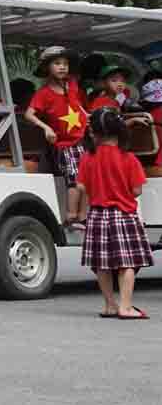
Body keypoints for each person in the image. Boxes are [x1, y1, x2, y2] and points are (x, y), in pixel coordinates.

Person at [77, 108, 151, 319]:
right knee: (126, 263)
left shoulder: (87, 158)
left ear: (95, 133)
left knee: (102, 263)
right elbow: (137, 190)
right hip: (123, 214)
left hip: (97, 215)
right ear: (119, 130)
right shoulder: (128, 158)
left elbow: (81, 187)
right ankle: (126, 307)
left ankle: (110, 305)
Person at [24, 46, 89, 226]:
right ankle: (71, 216)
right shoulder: (43, 94)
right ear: (47, 68)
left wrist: (85, 115)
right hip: (65, 144)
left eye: (65, 64)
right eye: (57, 63)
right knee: (74, 180)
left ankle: (84, 217)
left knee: (86, 180)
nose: (62, 67)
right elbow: (29, 114)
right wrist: (46, 128)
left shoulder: (72, 85)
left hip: (82, 139)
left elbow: (77, 105)